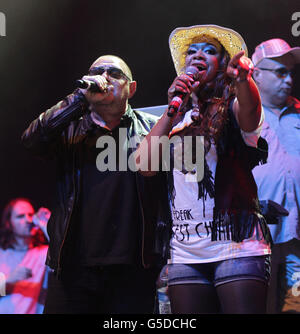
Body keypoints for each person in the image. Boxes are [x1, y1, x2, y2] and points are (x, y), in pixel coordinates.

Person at [135, 24, 272, 314]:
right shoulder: (175, 118)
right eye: (192, 51)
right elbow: (144, 166)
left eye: (210, 51)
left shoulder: (232, 105)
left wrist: (244, 80)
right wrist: (173, 108)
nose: (199, 54)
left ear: (222, 65)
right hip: (185, 251)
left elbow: (250, 115)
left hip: (236, 247)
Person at [21, 55, 168, 314]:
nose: (104, 77)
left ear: (131, 88)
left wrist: (169, 257)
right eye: (97, 71)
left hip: (134, 272)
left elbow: (172, 196)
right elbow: (31, 140)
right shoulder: (69, 129)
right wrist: (79, 99)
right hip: (73, 270)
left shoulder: (151, 130)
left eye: (113, 72)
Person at [251, 39, 300, 313]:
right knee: (259, 306)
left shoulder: (299, 114)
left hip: (296, 236)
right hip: (256, 238)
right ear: (256, 74)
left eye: (292, 73)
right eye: (280, 72)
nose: (289, 79)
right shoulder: (240, 116)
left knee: (295, 306)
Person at [0, 197, 50, 314]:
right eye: (20, 216)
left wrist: (46, 226)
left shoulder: (43, 253)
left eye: (30, 215)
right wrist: (7, 280)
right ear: (9, 223)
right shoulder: (2, 253)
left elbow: (64, 256)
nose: (28, 220)